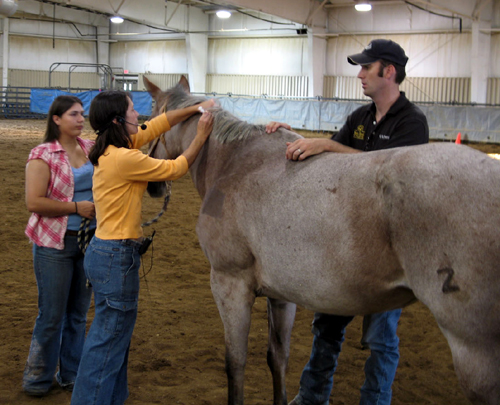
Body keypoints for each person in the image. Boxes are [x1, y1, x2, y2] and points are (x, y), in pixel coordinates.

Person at [266, 39, 429, 405]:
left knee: (381, 340)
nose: (359, 74)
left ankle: (375, 401)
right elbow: (328, 155)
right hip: (346, 243)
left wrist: (325, 145)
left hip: (389, 251)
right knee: (326, 326)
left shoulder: (412, 123)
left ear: (388, 71)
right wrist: (295, 138)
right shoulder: (360, 117)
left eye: (366, 67)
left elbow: (383, 172)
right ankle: (312, 397)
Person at [70, 90, 215, 405]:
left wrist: (196, 108)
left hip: (105, 251)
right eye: (133, 110)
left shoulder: (112, 149)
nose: (139, 115)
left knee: (113, 336)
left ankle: (110, 399)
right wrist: (200, 135)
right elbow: (175, 169)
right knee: (108, 340)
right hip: (116, 256)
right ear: (118, 120)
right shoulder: (125, 158)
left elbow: (159, 125)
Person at [23, 95, 96, 396]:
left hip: (89, 241)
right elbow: (34, 202)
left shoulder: (91, 148)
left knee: (78, 314)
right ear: (56, 119)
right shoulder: (43, 155)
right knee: (51, 315)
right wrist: (76, 207)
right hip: (54, 244)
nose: (80, 119)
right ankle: (37, 379)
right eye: (73, 115)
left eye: (82, 114)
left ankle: (70, 373)